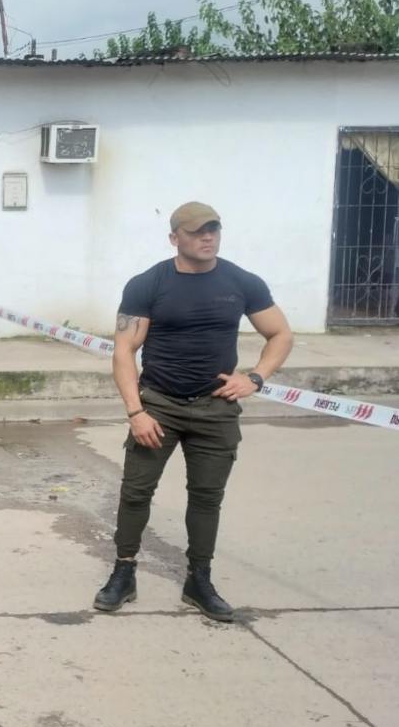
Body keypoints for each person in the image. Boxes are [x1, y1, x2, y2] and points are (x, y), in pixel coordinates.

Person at [94, 202, 293, 621]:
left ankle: (199, 580)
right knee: (135, 492)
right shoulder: (148, 284)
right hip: (159, 406)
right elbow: (124, 350)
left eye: (213, 229)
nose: (208, 237)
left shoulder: (241, 282)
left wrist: (255, 378)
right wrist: (136, 412)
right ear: (174, 238)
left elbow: (280, 334)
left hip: (216, 408)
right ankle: (123, 572)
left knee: (206, 498)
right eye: (197, 231)